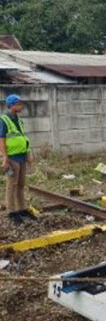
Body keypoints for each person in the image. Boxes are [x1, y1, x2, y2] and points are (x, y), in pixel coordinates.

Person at [1, 94, 34, 225]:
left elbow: (23, 137)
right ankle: (12, 211)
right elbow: (1, 140)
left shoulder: (19, 120)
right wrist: (4, 158)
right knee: (12, 185)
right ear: (11, 106)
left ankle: (21, 208)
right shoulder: (4, 120)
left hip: (22, 155)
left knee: (21, 184)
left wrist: (29, 154)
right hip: (12, 157)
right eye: (18, 103)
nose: (21, 106)